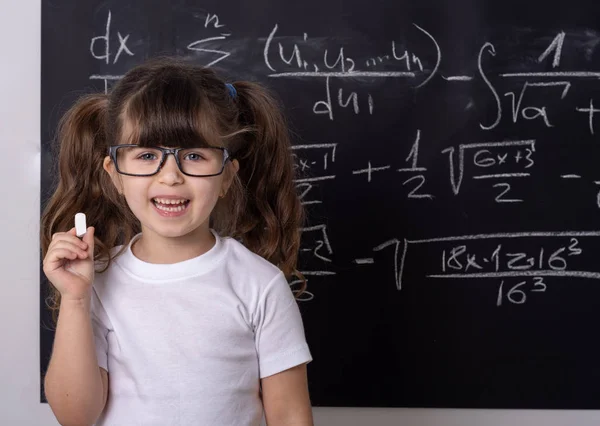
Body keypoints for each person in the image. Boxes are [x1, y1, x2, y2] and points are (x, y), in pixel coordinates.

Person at [41, 57, 313, 426]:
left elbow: (290, 415)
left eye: (195, 156)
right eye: (148, 155)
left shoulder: (259, 284)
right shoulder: (96, 284)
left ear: (227, 176)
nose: (170, 176)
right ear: (116, 174)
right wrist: (75, 299)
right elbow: (75, 415)